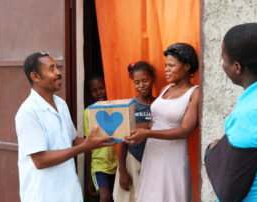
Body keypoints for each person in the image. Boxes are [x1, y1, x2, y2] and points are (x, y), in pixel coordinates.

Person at [15, 52, 114, 202]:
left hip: (68, 192)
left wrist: (104, 139)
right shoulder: (28, 112)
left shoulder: (60, 104)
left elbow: (72, 140)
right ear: (35, 76)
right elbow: (40, 160)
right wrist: (85, 147)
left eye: (57, 68)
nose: (59, 72)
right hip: (43, 195)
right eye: (51, 69)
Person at [125, 43, 199, 202]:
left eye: (171, 65)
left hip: (173, 159)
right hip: (152, 155)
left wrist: (148, 133)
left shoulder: (195, 93)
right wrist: (138, 130)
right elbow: (156, 121)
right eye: (166, 65)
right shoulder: (166, 89)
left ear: (187, 66)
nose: (166, 69)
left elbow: (185, 130)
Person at [209, 23, 257, 201]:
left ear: (237, 67)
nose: (223, 66)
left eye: (224, 60)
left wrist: (214, 151)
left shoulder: (252, 113)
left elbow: (229, 192)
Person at [113, 62, 156, 202]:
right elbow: (123, 139)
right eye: (137, 82)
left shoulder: (158, 105)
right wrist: (122, 170)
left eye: (145, 80)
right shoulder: (131, 106)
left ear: (153, 79)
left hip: (154, 160)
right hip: (132, 159)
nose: (141, 85)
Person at [84, 73, 118, 202]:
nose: (98, 93)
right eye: (94, 91)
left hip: (117, 164)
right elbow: (88, 145)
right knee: (105, 197)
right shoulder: (89, 112)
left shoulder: (117, 108)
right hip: (99, 165)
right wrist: (88, 178)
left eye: (101, 88)